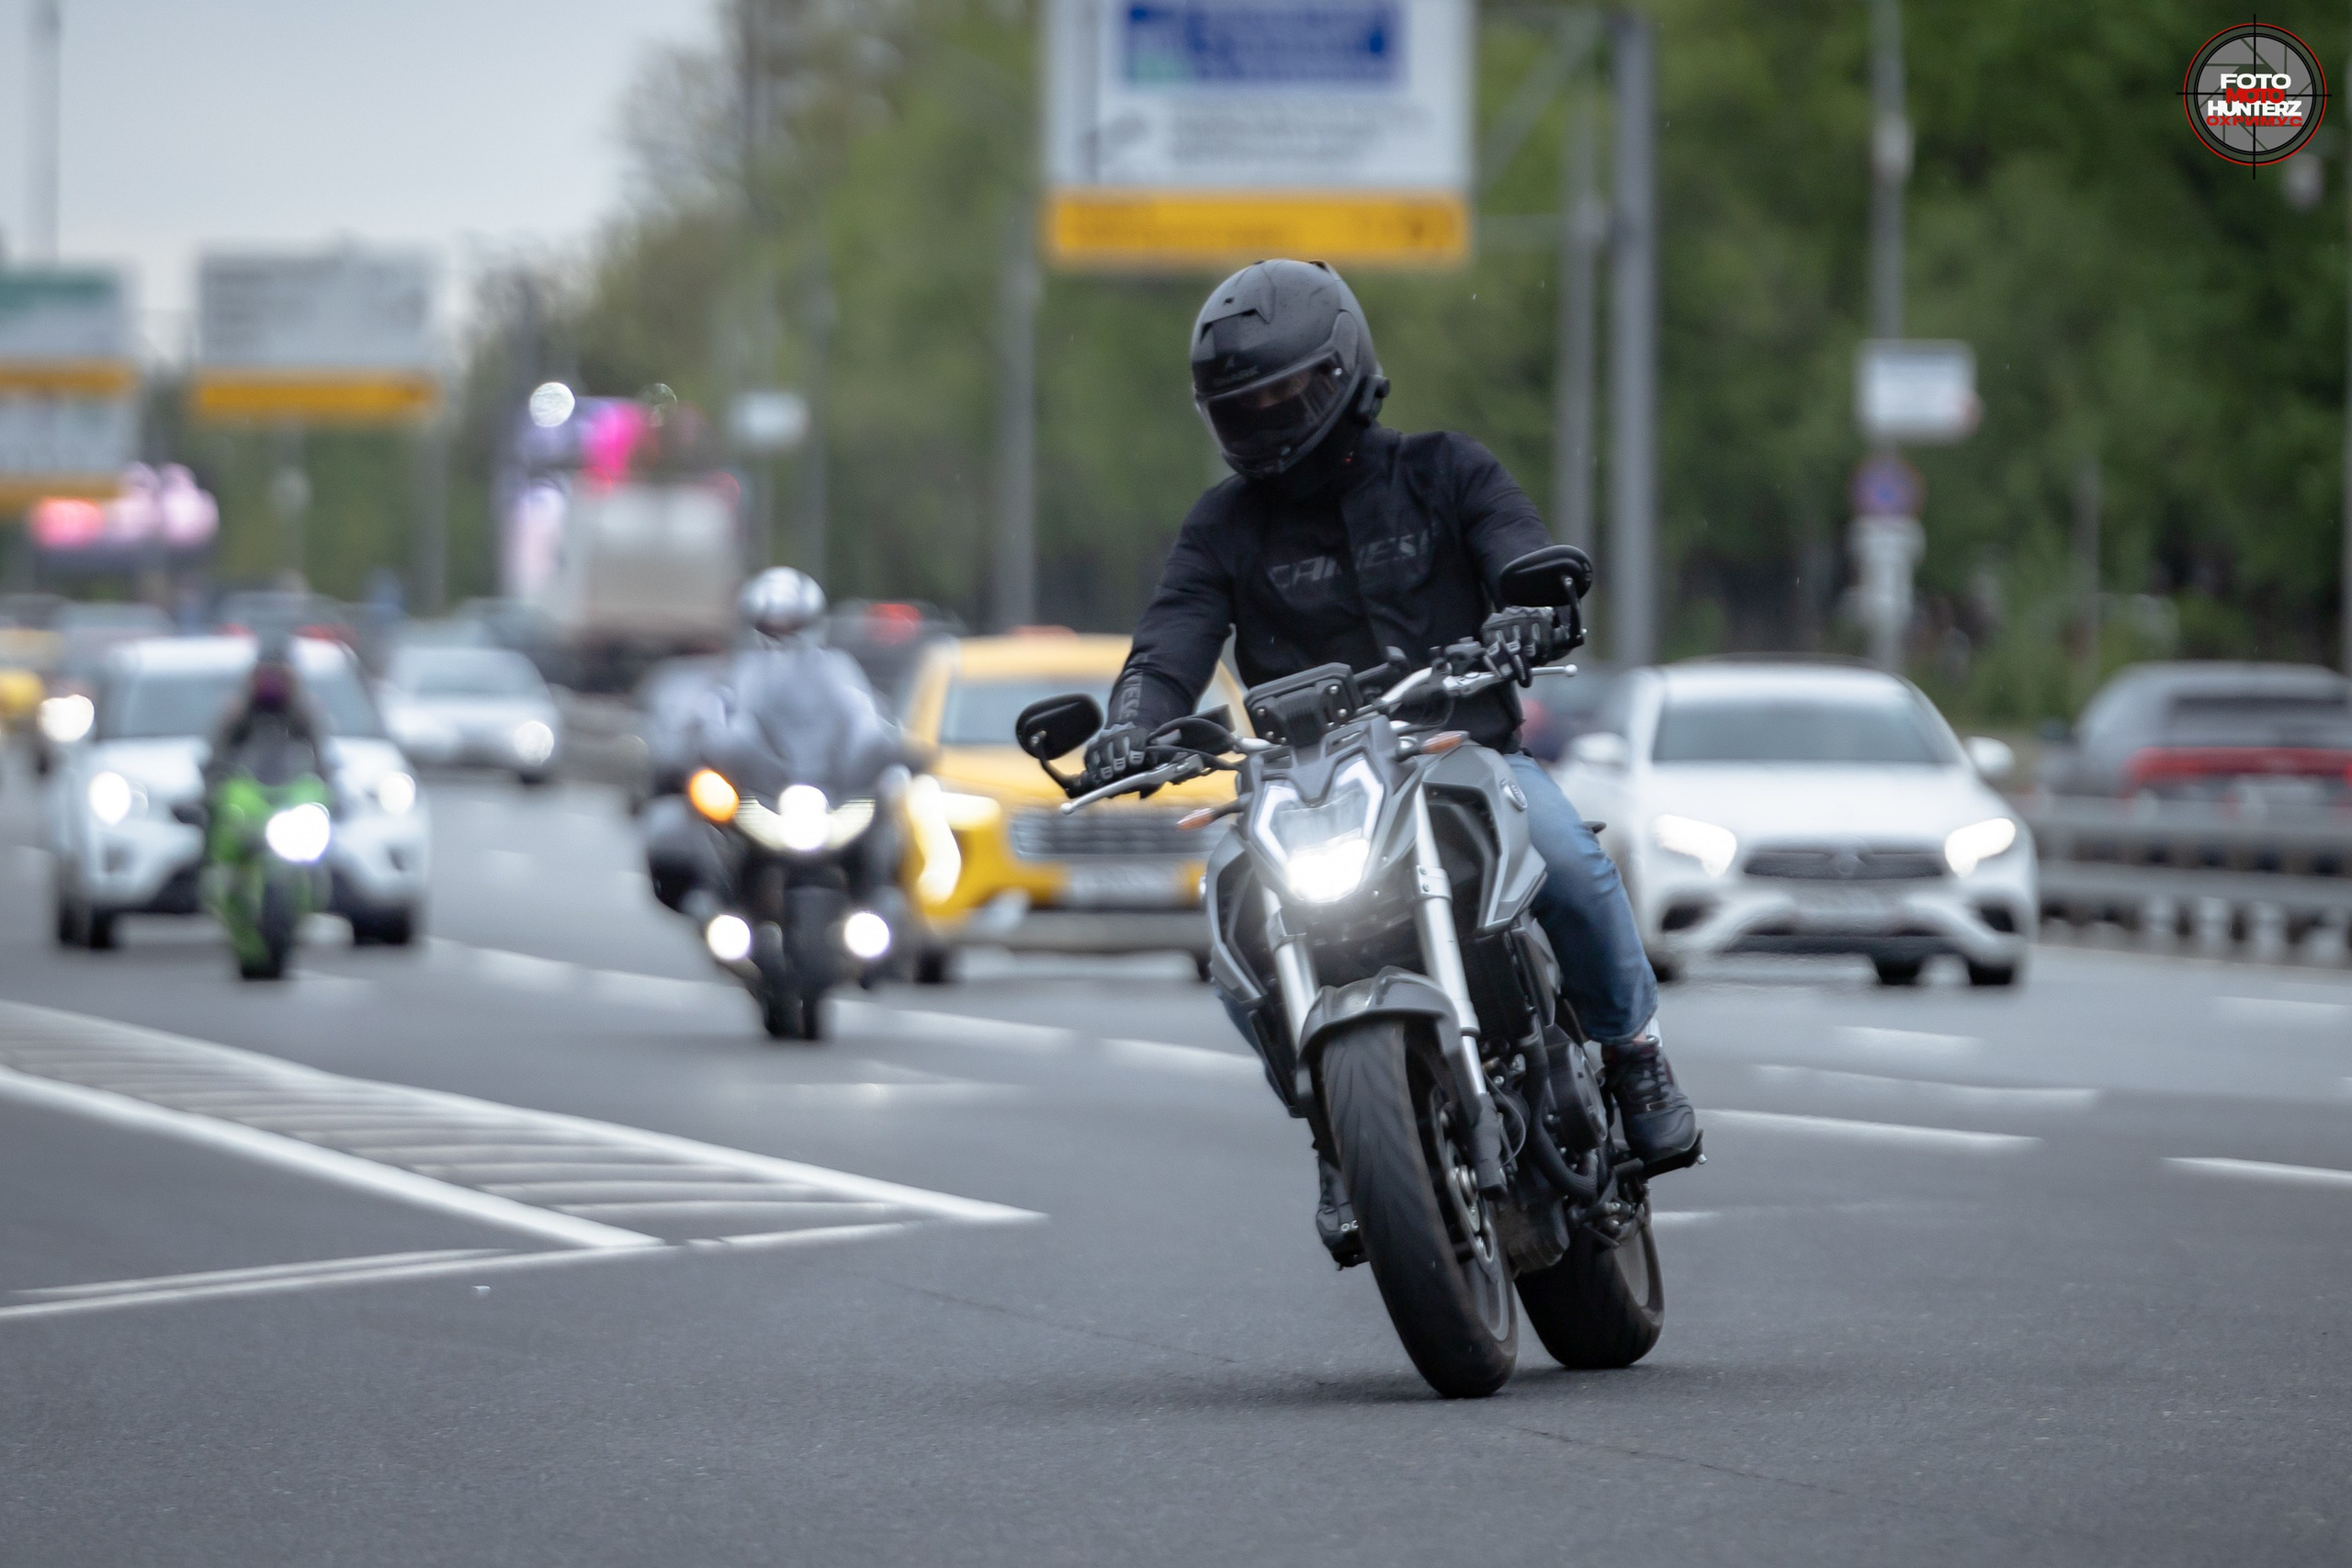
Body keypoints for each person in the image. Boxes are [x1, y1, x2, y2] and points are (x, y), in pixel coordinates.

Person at [1084, 258, 1696, 1261]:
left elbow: (1515, 547)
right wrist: (1133, 720)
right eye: (1248, 406)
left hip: (1461, 752)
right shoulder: (1220, 529)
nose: (1274, 418)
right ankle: (1335, 1123)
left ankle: (1635, 1056)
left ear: (1343, 371)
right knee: (1234, 929)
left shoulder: (1447, 469)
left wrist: (1524, 610)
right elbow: (1170, 644)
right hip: (1303, 784)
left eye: (1291, 393)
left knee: (1572, 862)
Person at [203, 639, 324, 792]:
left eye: (279, 675)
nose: (272, 682)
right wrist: (215, 783)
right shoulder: (238, 712)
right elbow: (218, 751)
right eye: (266, 674)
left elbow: (319, 753)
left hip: (290, 788)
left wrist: (323, 779)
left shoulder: (302, 713)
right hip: (247, 787)